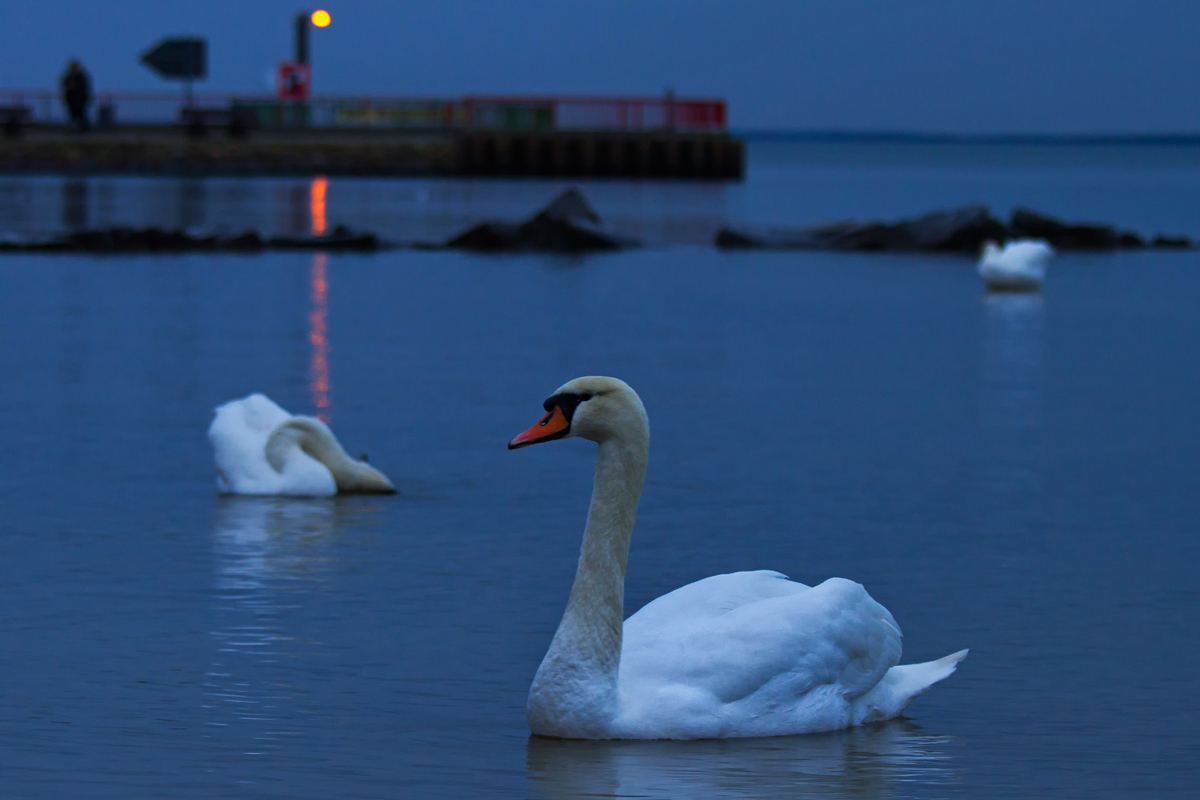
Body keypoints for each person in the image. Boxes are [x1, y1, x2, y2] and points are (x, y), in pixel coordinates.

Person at [60, 60, 92, 131]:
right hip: (71, 100)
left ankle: (82, 129)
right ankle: (76, 128)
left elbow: (82, 88)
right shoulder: (69, 76)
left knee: (81, 115)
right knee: (73, 115)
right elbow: (64, 84)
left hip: (79, 100)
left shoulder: (81, 77)